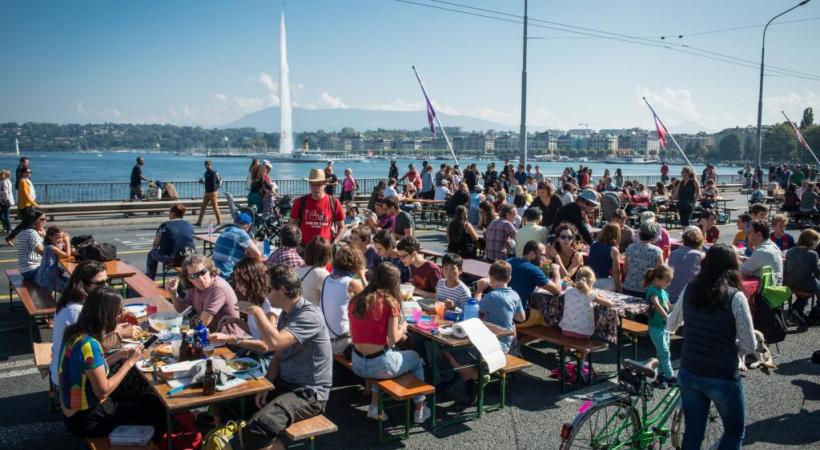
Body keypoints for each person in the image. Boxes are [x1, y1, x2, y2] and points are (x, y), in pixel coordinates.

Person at [666, 244, 756, 450]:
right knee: (734, 433)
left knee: (693, 433)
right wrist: (735, 347)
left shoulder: (690, 289)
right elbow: (750, 344)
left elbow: (671, 324)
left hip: (689, 369)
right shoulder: (735, 297)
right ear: (733, 267)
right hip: (722, 374)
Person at [240, 265, 333, 450]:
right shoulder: (287, 313)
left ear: (282, 289)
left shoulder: (309, 315)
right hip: (286, 384)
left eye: (269, 289)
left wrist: (257, 312)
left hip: (309, 394)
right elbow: (278, 355)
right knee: (237, 405)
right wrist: (266, 384)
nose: (266, 294)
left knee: (257, 430)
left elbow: (274, 343)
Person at [59, 287, 165, 441]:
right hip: (85, 418)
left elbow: (85, 370)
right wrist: (129, 362)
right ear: (106, 315)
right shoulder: (89, 344)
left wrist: (114, 357)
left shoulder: (73, 333)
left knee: (150, 399)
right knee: (159, 413)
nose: (121, 316)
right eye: (118, 312)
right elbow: (103, 392)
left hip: (73, 411)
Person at [348, 262, 431, 423]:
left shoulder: (356, 300)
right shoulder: (390, 302)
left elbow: (355, 334)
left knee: (384, 361)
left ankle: (374, 406)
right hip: (379, 365)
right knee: (415, 358)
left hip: (357, 362)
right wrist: (403, 327)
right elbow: (393, 339)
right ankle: (420, 407)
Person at [50, 261, 140, 389]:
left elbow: (94, 336)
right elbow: (94, 348)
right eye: (99, 283)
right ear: (82, 284)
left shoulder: (79, 302)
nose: (106, 286)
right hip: (73, 383)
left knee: (123, 357)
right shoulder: (76, 311)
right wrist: (120, 334)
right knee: (133, 374)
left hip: (72, 369)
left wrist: (115, 320)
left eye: (106, 281)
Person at [209, 259, 281, 362]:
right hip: (258, 355)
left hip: (269, 360)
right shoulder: (255, 300)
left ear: (252, 281)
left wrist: (230, 339)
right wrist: (236, 321)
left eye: (240, 282)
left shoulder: (269, 305)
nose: (238, 287)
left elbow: (266, 345)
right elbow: (256, 332)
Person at [558, 267, 613, 374]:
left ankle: (563, 362)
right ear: (591, 281)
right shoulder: (591, 294)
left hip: (566, 330)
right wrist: (598, 294)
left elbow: (564, 286)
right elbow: (610, 304)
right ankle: (581, 364)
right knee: (585, 337)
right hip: (583, 333)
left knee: (569, 337)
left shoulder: (569, 291)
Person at [168, 254, 241, 334]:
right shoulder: (193, 287)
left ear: (209, 270)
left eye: (203, 272)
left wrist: (192, 319)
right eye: (194, 276)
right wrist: (174, 293)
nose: (200, 278)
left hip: (228, 340)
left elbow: (202, 323)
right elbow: (182, 310)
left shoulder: (217, 288)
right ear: (188, 279)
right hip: (209, 335)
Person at [319, 245, 365, 357]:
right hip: (343, 344)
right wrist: (362, 275)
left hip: (326, 341)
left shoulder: (326, 280)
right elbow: (371, 301)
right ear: (356, 265)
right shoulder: (351, 283)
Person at [291, 168, 345, 246]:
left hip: (326, 249)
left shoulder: (334, 202)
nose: (316, 188)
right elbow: (292, 226)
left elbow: (342, 227)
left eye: (319, 184)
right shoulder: (299, 202)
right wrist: (298, 246)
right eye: (313, 184)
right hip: (304, 249)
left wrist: (334, 244)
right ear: (309, 185)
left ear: (325, 184)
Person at [644, 265, 675, 388]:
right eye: (667, 281)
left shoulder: (663, 291)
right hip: (656, 328)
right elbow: (657, 305)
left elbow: (669, 306)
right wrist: (667, 317)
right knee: (665, 352)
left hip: (664, 327)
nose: (669, 283)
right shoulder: (653, 290)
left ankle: (661, 377)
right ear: (657, 279)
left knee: (662, 352)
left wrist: (679, 309)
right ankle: (670, 376)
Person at [508, 240, 561, 312]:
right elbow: (557, 290)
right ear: (532, 254)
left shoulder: (508, 261)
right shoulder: (533, 269)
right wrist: (556, 270)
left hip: (501, 309)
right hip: (518, 314)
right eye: (543, 255)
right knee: (543, 317)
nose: (544, 258)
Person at [146, 203, 195, 279]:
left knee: (151, 253)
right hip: (189, 257)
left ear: (173, 214)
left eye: (169, 213)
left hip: (172, 259)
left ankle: (149, 279)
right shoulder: (188, 224)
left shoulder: (165, 225)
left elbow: (155, 245)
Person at [783, 229, 820, 323]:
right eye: (817, 241)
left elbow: (786, 269)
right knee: (815, 286)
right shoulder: (812, 254)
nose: (817, 244)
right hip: (805, 285)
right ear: (811, 240)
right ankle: (816, 312)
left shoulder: (790, 251)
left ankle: (797, 309)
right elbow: (817, 273)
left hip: (789, 283)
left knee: (804, 282)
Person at [212, 212, 261, 279]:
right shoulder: (241, 233)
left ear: (235, 222)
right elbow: (257, 255)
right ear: (249, 225)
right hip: (227, 274)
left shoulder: (227, 230)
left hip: (215, 271)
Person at [623, 221, 663, 298]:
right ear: (653, 237)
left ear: (640, 234)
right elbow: (660, 273)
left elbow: (625, 270)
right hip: (646, 290)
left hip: (628, 287)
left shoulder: (630, 247)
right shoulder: (657, 251)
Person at [667, 227, 705, 303]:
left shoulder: (674, 253)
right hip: (689, 300)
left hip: (671, 297)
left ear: (684, 240)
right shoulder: (701, 256)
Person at [740, 220, 783, 285]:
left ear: (759, 234)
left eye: (749, 231)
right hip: (774, 290)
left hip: (766, 293)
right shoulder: (773, 246)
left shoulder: (762, 251)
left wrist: (734, 258)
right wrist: (746, 259)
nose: (747, 232)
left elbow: (741, 271)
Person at [294, 236, 332, 306]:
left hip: (299, 311)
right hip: (313, 313)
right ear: (327, 255)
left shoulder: (300, 268)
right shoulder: (322, 274)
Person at [34, 225, 72, 292]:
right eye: (58, 237)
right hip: (47, 279)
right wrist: (67, 241)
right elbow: (67, 255)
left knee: (69, 281)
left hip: (46, 275)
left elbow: (63, 252)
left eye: (62, 237)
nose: (60, 240)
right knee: (70, 288)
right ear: (50, 237)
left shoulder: (49, 246)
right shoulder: (52, 248)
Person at [588, 223, 622, 292]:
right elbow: (616, 272)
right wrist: (619, 288)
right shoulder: (613, 250)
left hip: (589, 280)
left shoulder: (593, 244)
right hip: (602, 282)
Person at [15, 208, 45, 281]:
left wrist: (44, 236)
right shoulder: (31, 233)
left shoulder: (24, 231)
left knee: (59, 275)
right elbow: (42, 252)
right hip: (32, 271)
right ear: (33, 221)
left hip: (26, 270)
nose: (44, 221)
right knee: (61, 279)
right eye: (42, 219)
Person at [195, 160, 222, 226]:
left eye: (208, 164)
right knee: (203, 207)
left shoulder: (214, 172)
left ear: (211, 165)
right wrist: (202, 182)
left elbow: (220, 181)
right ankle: (199, 222)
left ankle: (219, 222)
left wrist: (217, 188)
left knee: (215, 207)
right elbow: (207, 183)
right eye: (206, 164)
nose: (207, 165)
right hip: (207, 193)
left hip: (213, 193)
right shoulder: (206, 173)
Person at [0, 170, 13, 235]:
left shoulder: (4, 182)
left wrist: (6, 200)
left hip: (5, 201)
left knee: (5, 216)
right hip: (7, 201)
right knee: (3, 215)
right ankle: (7, 228)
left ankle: (9, 228)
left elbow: (5, 192)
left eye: (2, 175)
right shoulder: (8, 181)